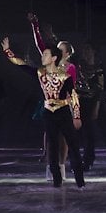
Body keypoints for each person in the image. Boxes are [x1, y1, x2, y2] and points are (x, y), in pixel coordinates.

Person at [1, 35, 85, 188]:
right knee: (51, 146)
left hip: (64, 111)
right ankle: (56, 179)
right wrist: (7, 51)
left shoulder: (64, 76)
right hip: (49, 112)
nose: (42, 56)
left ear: (53, 58)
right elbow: (21, 64)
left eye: (45, 54)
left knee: (72, 144)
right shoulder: (40, 73)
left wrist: (77, 116)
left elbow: (73, 95)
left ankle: (80, 180)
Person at [28, 12, 76, 179]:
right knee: (51, 135)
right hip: (50, 102)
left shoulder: (70, 67)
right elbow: (39, 44)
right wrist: (35, 26)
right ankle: (51, 168)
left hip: (64, 103)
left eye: (62, 49)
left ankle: (61, 169)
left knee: (62, 137)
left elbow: (72, 87)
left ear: (68, 53)